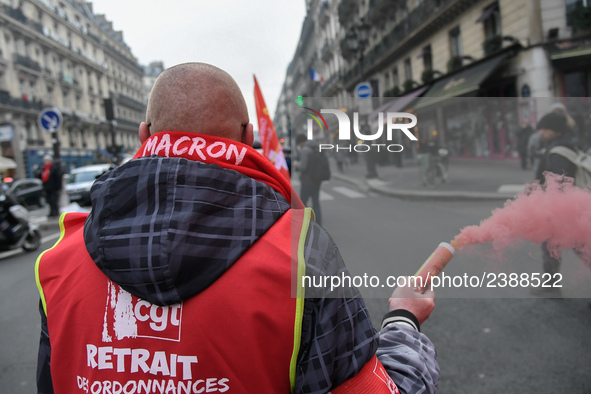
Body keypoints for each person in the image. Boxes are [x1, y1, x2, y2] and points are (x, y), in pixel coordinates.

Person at [36, 63, 439, 393]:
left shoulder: (56, 263)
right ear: (249, 137)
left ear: (144, 135)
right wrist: (403, 319)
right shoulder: (302, 256)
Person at [533, 112, 577, 297]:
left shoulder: (558, 151)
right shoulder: (565, 145)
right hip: (569, 208)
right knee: (553, 247)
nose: (541, 132)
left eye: (545, 128)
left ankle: (551, 284)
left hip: (561, 210)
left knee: (577, 248)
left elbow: (559, 183)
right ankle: (551, 284)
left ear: (556, 131)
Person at [295, 133, 324, 226]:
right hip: (317, 179)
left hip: (307, 180)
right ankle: (318, 224)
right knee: (316, 202)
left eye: (299, 144)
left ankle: (305, 223)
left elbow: (303, 167)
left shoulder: (305, 150)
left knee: (302, 203)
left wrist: (296, 164)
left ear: (301, 142)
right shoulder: (315, 147)